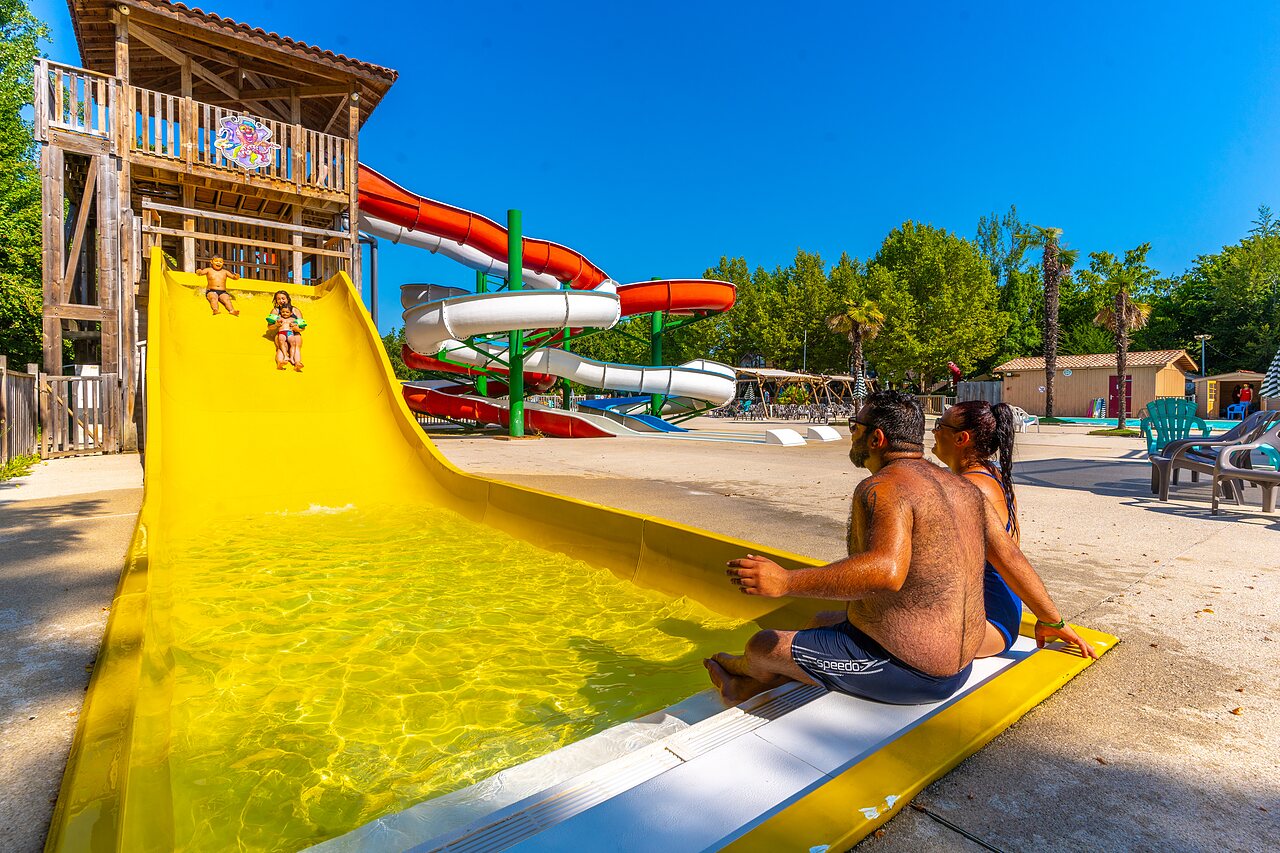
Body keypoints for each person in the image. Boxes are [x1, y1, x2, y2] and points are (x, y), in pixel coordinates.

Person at [704, 390, 1096, 707]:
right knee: (818, 620)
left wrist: (786, 580)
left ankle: (741, 678)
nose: (850, 434)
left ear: (877, 438)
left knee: (763, 645)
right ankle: (752, 684)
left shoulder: (882, 487)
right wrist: (1053, 620)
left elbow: (886, 572)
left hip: (909, 670)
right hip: (952, 663)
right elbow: (1010, 557)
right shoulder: (962, 488)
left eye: (854, 427)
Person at [930, 401, 1072, 657]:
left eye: (940, 425)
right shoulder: (989, 474)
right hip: (996, 616)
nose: (933, 431)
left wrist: (1052, 619)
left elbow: (1008, 558)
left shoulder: (969, 489)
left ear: (961, 438)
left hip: (984, 625)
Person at [267, 291, 306, 368]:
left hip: (294, 333)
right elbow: (269, 327)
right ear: (276, 300)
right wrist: (276, 325)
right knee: (282, 346)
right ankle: (280, 362)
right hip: (281, 333)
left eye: (283, 298)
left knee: (297, 342)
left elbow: (303, 327)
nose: (281, 301)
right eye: (278, 299)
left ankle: (297, 362)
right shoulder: (275, 311)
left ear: (288, 299)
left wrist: (296, 328)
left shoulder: (295, 310)